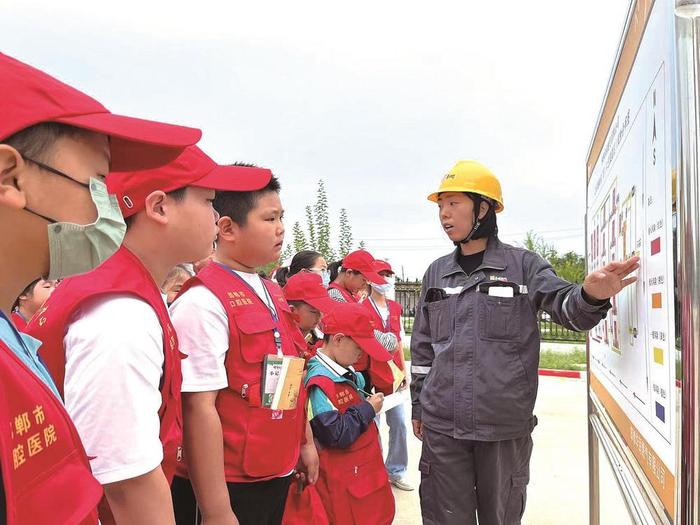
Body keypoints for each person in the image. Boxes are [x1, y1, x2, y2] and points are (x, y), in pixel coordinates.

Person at [0, 52, 200, 524]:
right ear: (9, 176)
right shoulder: (117, 312)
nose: (110, 208)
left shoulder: (11, 333)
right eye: (95, 183)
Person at [27, 146, 271, 525]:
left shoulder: (127, 289)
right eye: (208, 202)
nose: (217, 216)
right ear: (159, 207)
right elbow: (127, 482)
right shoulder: (121, 314)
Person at [411, 160, 640, 525]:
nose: (444, 214)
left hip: (501, 427)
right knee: (443, 517)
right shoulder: (436, 273)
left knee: (500, 518)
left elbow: (567, 309)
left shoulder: (524, 266)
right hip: (444, 428)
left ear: (482, 208)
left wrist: (591, 295)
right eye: (441, 206)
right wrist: (419, 406)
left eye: (454, 203)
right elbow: (423, 349)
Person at [168, 175, 318, 525]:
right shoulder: (203, 302)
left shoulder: (271, 290)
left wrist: (304, 443)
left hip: (274, 468)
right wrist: (217, 510)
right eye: (269, 219)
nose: (280, 228)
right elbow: (196, 408)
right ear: (227, 228)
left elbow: (287, 372)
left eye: (282, 217)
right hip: (226, 483)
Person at [305, 302, 395, 525]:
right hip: (343, 485)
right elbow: (335, 433)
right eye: (358, 347)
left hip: (361, 477)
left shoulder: (344, 369)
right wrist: (367, 409)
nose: (361, 353)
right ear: (338, 339)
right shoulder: (320, 383)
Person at [363, 260, 413, 492]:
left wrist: (404, 371)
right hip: (372, 376)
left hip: (393, 376)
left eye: (388, 274)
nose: (385, 279)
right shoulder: (362, 307)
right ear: (370, 279)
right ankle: (375, 473)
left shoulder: (395, 307)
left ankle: (396, 470)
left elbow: (399, 341)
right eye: (381, 274)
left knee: (400, 424)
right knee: (372, 427)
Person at [327, 250, 397, 394]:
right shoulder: (335, 296)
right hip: (347, 366)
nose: (365, 285)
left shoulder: (348, 295)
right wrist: (388, 340)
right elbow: (360, 330)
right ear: (349, 273)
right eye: (364, 280)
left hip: (357, 366)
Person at [282, 271, 337, 360]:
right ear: (292, 310)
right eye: (314, 312)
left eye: (322, 310)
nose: (319, 316)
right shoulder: (280, 342)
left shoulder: (320, 340)